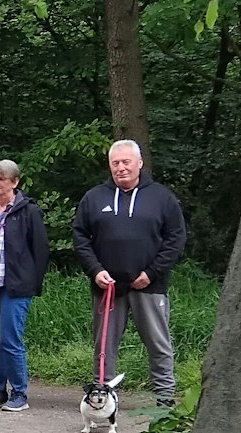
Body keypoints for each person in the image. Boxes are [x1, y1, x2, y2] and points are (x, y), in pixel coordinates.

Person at [73, 139, 187, 404]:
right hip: (107, 286)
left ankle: (165, 398)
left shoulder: (162, 198)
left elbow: (176, 238)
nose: (121, 168)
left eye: (126, 162)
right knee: (104, 347)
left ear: (139, 163)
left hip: (148, 284)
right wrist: (95, 270)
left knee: (159, 343)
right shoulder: (94, 197)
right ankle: (102, 398)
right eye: (115, 163)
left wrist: (152, 272)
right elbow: (80, 237)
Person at [0, 159, 51, 412]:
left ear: (15, 182)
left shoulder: (28, 211)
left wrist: (33, 283)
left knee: (10, 337)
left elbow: (40, 251)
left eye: (1, 179)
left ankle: (19, 392)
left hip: (15, 285)